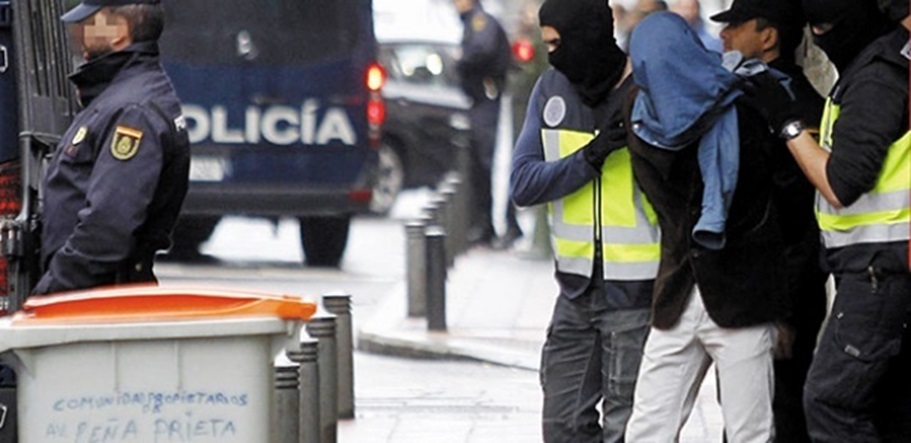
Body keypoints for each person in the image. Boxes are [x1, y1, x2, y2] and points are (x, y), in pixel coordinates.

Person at [621, 12, 795, 442]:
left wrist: (784, 308)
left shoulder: (749, 105)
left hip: (744, 298)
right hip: (679, 295)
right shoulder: (640, 116)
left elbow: (785, 207)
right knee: (648, 428)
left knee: (749, 433)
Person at [743, 0, 910, 440]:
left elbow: (841, 183)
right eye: (812, 24)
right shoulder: (876, 65)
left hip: (879, 269)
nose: (820, 34)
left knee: (830, 400)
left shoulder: (877, 76)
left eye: (827, 23)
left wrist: (787, 123)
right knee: (887, 405)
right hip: (878, 265)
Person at [510, 0, 660, 441]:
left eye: (557, 43)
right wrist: (588, 159)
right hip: (575, 291)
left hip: (637, 295)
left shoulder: (646, 89)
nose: (553, 55)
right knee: (562, 425)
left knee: (626, 429)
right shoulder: (550, 90)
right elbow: (523, 183)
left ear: (587, 36)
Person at [710, 1, 827, 441]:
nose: (723, 35)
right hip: (751, 284)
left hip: (779, 287)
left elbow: (796, 214)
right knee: (745, 407)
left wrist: (783, 311)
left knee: (778, 406)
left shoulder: (785, 104)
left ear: (768, 36)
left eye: (735, 26)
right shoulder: (748, 93)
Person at [32, 0, 190, 294]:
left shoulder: (132, 111)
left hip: (96, 303)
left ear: (119, 31)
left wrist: (49, 295)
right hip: (95, 297)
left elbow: (106, 230)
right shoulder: (121, 98)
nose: (79, 32)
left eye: (91, 22)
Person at [451, 0, 521, 248]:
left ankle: (500, 225)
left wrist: (461, 58)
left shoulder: (480, 21)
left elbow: (483, 49)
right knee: (484, 164)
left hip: (487, 99)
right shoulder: (476, 21)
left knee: (490, 162)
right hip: (483, 100)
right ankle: (489, 225)